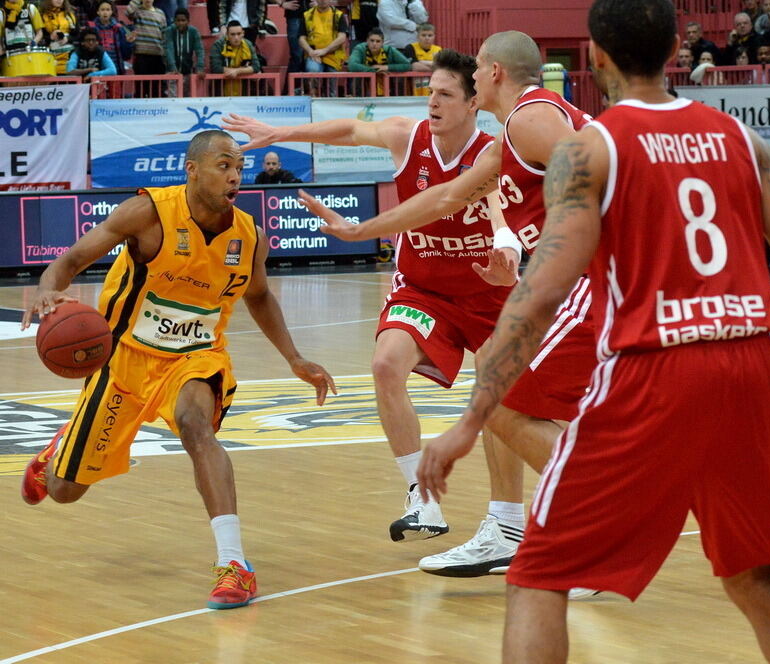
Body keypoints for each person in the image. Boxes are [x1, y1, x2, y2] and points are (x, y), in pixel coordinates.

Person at [415, 1, 770, 661]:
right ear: (676, 48)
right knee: (754, 582)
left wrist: (471, 420)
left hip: (654, 369)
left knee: (538, 576)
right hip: (750, 373)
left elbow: (540, 293)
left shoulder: (591, 150)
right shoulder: (739, 139)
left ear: (595, 56)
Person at [300, 31, 599, 590]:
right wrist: (361, 230)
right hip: (572, 279)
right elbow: (442, 199)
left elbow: (591, 175)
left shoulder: (527, 118)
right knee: (503, 396)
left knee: (502, 403)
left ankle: (597, 522)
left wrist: (557, 249)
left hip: (592, 277)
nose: (434, 99)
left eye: (463, 79)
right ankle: (514, 527)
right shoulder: (510, 138)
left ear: (490, 74)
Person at [19, 129, 337, 610]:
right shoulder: (147, 212)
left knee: (196, 427)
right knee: (64, 492)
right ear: (192, 170)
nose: (235, 176)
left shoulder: (249, 236)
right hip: (123, 359)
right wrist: (47, 290)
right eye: (223, 166)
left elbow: (258, 296)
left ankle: (234, 565)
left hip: (196, 356)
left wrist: (294, 358)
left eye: (239, 168)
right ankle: (61, 448)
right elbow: (70, 261)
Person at [223, 49, 521, 547]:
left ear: (473, 103)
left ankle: (503, 520)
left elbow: (499, 217)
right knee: (385, 365)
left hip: (485, 293)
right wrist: (282, 134)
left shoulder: (489, 153)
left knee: (497, 399)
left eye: (445, 94)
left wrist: (507, 250)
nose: (433, 102)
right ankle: (420, 498)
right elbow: (348, 131)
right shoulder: (409, 137)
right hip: (422, 288)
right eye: (430, 92)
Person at [298, 0, 348, 96]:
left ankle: (331, 102)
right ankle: (313, 98)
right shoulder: (307, 15)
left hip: (333, 55)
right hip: (314, 55)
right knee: (312, 70)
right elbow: (301, 38)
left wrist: (325, 50)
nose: (323, 0)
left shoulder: (338, 15)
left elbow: (342, 37)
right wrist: (310, 51)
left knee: (332, 90)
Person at [348, 26, 411, 95]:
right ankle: (358, 101)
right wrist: (375, 70)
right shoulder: (360, 48)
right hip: (365, 86)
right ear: (367, 41)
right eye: (372, 40)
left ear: (382, 43)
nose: (374, 44)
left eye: (378, 41)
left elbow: (407, 65)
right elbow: (352, 65)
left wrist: (386, 67)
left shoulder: (389, 50)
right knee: (357, 77)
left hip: (387, 85)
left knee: (399, 78)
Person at [210, 20, 262, 97]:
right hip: (221, 90)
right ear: (227, 35)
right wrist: (244, 70)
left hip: (244, 90)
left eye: (238, 34)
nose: (236, 37)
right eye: (232, 34)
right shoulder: (218, 45)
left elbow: (256, 66)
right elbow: (215, 67)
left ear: (243, 33)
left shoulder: (248, 44)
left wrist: (237, 71)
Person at [127, 0, 167, 96]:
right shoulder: (137, 12)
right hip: (141, 55)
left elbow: (164, 35)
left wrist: (165, 54)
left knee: (157, 90)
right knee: (141, 89)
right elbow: (128, 12)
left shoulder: (160, 13)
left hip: (157, 56)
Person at [88, 0, 133, 75]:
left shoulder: (119, 28)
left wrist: (128, 43)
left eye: (108, 10)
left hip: (116, 68)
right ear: (98, 12)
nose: (105, 12)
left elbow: (126, 55)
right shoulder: (91, 28)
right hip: (97, 69)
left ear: (112, 12)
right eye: (102, 10)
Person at [165, 8, 205, 82]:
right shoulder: (169, 31)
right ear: (174, 21)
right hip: (172, 72)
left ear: (188, 21)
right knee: (173, 94)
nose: (180, 23)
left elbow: (199, 50)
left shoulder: (194, 31)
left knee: (187, 94)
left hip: (187, 72)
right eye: (178, 20)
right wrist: (173, 68)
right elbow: (169, 49)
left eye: (183, 20)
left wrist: (200, 68)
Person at [402, 22, 441, 95]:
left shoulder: (438, 49)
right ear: (418, 36)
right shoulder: (410, 48)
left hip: (433, 90)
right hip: (413, 91)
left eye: (430, 35)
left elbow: (442, 66)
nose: (427, 38)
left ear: (434, 36)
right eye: (423, 35)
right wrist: (435, 67)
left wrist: (421, 62)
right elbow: (415, 66)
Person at [39, 0, 76, 74]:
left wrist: (67, 39)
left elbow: (78, 36)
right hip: (51, 58)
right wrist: (50, 37)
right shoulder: (41, 15)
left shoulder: (70, 14)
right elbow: (38, 39)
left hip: (70, 57)